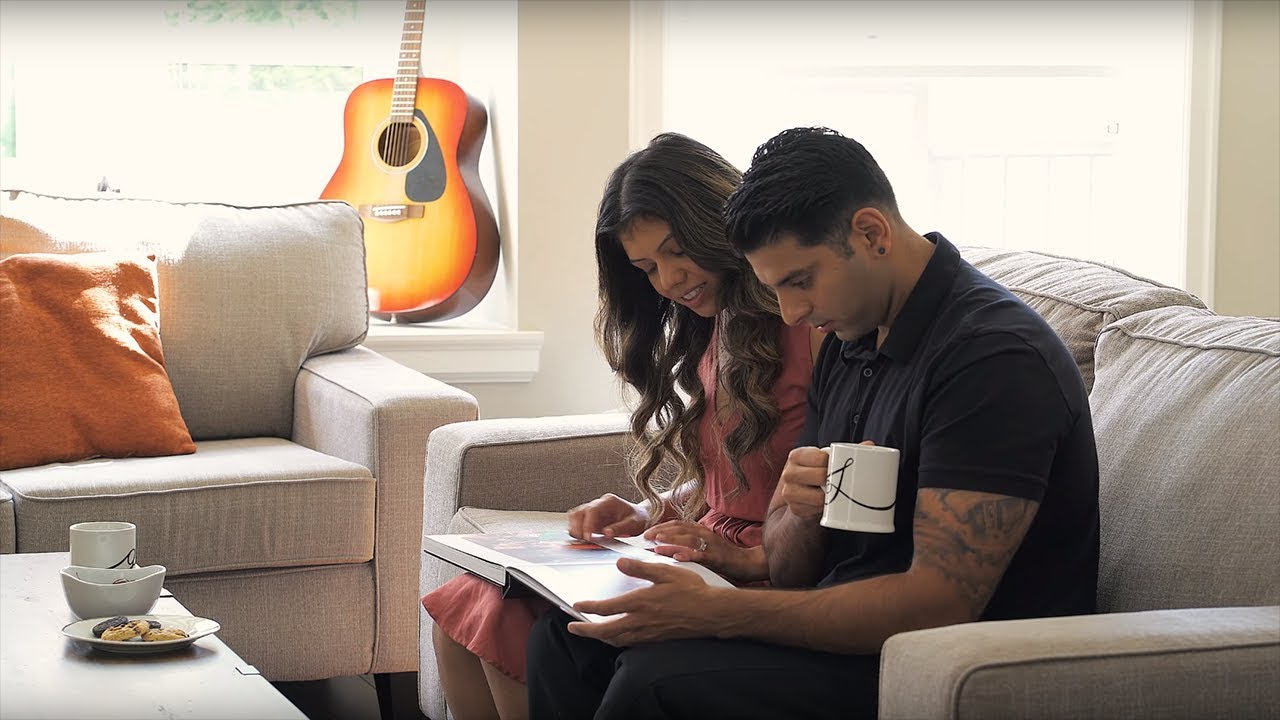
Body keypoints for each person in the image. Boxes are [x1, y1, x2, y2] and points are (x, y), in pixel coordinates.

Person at [525, 127, 1101, 719]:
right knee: (565, 643)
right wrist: (798, 511)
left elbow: (937, 606)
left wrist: (720, 614)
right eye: (777, 289)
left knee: (652, 683)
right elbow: (790, 563)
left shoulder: (991, 356)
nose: (794, 313)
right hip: (848, 625)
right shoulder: (854, 335)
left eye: (799, 281)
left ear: (872, 233)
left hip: (949, 661)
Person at [422, 132, 820, 720]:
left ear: (721, 222)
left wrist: (727, 548)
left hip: (765, 561)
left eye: (675, 251)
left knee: (512, 623)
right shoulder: (716, 323)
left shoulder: (805, 321)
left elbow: (794, 483)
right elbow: (732, 472)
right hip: (701, 545)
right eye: (647, 268)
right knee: (464, 605)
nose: (667, 281)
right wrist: (643, 512)